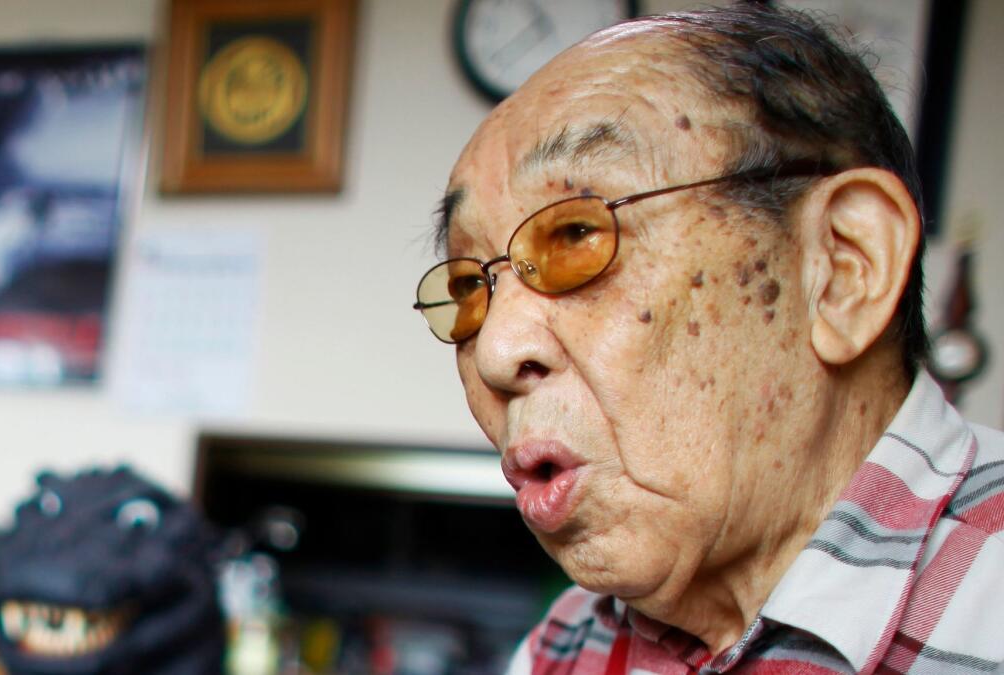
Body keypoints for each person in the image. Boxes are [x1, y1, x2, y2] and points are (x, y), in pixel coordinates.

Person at [412, 5, 1004, 673]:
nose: (493, 350)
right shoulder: (564, 644)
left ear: (844, 265)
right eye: (469, 286)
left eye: (577, 234)